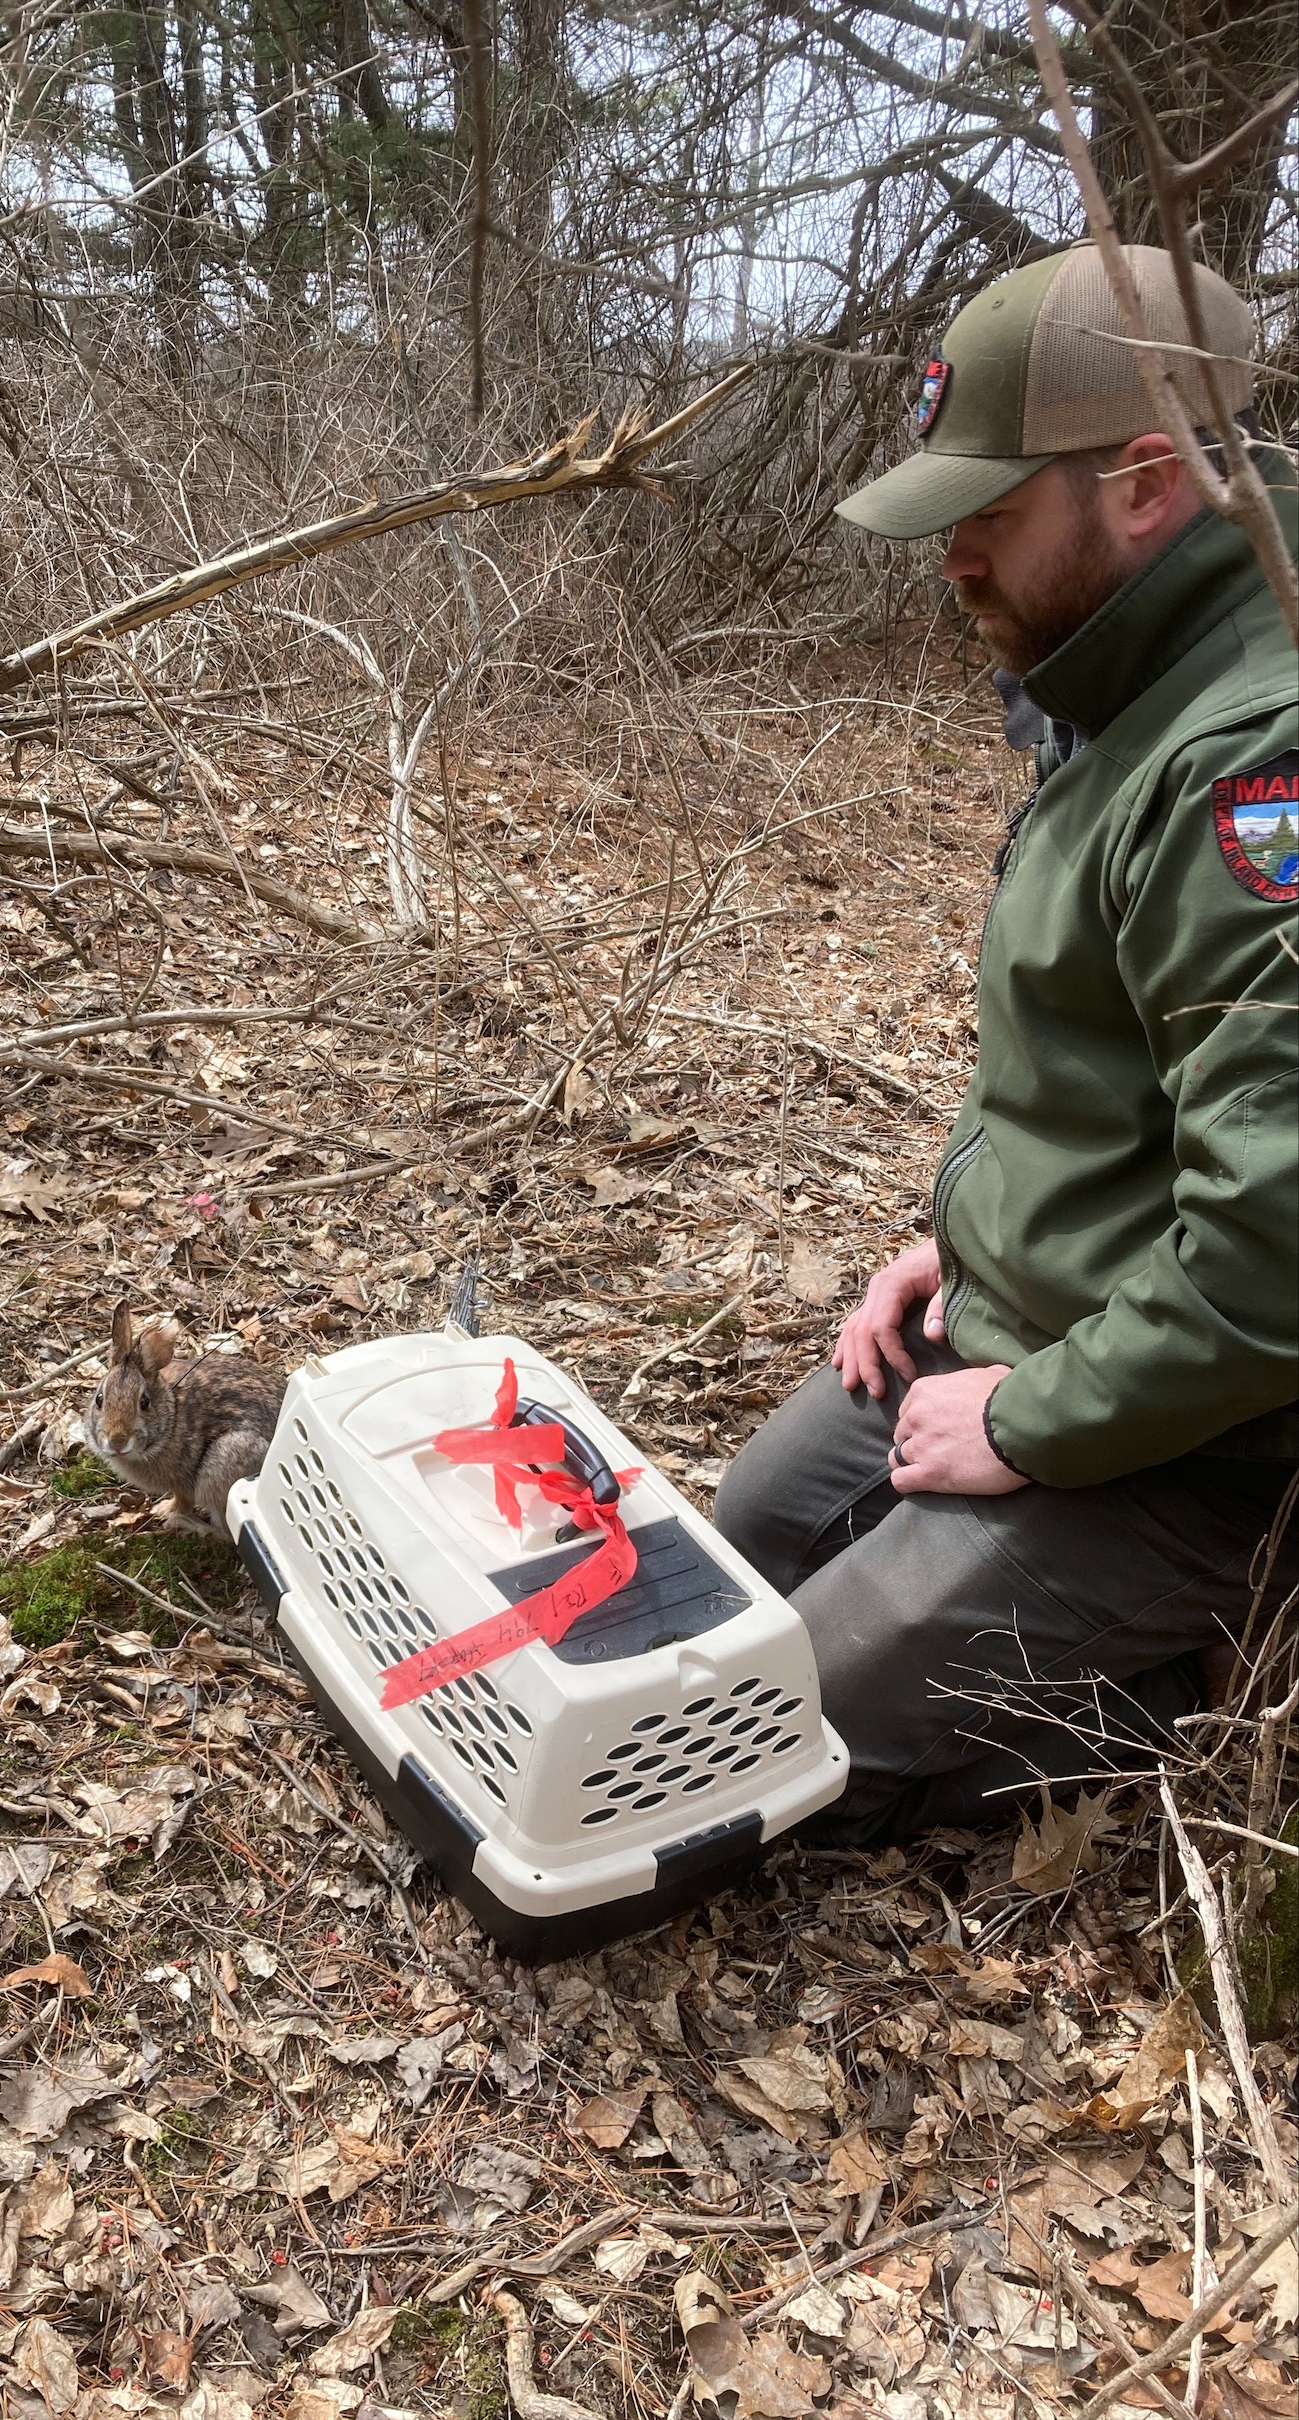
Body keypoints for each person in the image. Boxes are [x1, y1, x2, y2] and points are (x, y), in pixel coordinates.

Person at [712, 242, 1299, 1848]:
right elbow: (1106, 1063)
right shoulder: (1119, 675)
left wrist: (1030, 1417)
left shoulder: (1257, 760)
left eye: (990, 510)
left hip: (1208, 1437)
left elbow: (1283, 1250)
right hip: (1038, 1323)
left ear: (1146, 481)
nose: (953, 555)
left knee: (758, 1743)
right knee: (737, 1549)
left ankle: (1200, 1687)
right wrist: (965, 1250)